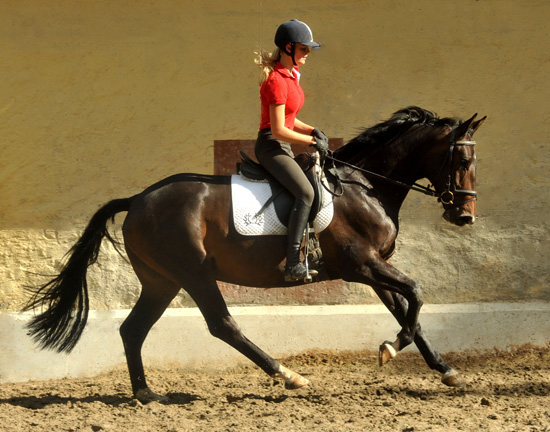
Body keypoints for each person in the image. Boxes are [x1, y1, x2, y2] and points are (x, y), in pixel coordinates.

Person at [254, 19, 329, 282]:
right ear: (288, 47)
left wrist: (313, 130)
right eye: (304, 48)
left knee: (314, 184)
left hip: (281, 143)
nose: (308, 53)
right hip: (271, 146)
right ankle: (293, 262)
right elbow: (277, 130)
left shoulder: (291, 77)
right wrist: (311, 143)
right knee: (306, 193)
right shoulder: (276, 80)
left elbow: (290, 118)